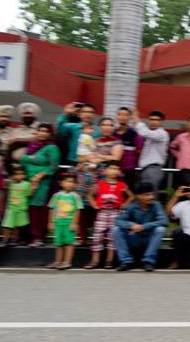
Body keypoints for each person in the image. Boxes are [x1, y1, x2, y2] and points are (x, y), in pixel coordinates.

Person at [75, 117, 123, 245]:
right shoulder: (91, 140)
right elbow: (79, 157)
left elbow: (116, 158)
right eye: (104, 125)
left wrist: (97, 156)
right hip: (86, 179)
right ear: (99, 127)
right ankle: (82, 237)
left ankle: (100, 239)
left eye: (110, 125)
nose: (107, 127)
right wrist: (88, 157)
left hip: (104, 180)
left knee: (101, 207)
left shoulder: (117, 143)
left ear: (114, 128)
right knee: (83, 207)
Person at [85, 161, 134, 269]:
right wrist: (94, 204)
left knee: (112, 237)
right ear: (105, 170)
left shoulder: (122, 185)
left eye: (117, 169)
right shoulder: (99, 184)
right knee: (97, 236)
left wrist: (125, 204)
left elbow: (131, 196)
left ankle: (109, 260)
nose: (114, 171)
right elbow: (90, 195)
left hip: (115, 213)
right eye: (112, 168)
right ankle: (95, 261)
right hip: (102, 213)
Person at [112, 182, 169, 272]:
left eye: (152, 194)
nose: (151, 197)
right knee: (115, 229)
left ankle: (148, 261)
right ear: (138, 196)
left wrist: (143, 227)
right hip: (135, 238)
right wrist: (132, 225)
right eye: (147, 195)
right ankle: (126, 261)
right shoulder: (131, 207)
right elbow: (118, 221)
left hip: (150, 238)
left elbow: (164, 221)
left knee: (160, 229)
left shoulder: (156, 205)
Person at [20, 123, 61, 247]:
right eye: (40, 131)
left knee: (38, 209)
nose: (42, 133)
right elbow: (23, 161)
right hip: (26, 182)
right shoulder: (32, 146)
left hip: (43, 183)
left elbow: (53, 166)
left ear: (49, 134)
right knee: (25, 208)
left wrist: (38, 176)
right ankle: (26, 237)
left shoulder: (52, 148)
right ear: (36, 132)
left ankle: (38, 237)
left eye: (45, 131)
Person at [46, 173, 83, 270]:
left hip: (69, 223)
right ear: (61, 183)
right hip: (58, 222)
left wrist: (75, 223)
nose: (70, 184)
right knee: (59, 243)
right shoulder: (56, 196)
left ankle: (67, 262)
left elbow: (77, 210)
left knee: (69, 243)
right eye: (67, 181)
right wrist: (51, 222)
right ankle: (57, 262)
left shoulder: (75, 196)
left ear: (75, 184)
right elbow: (52, 209)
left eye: (72, 182)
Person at [132, 109, 169, 197]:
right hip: (145, 169)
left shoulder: (162, 133)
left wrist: (136, 118)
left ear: (162, 122)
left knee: (150, 198)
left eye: (156, 120)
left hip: (153, 169)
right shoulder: (151, 134)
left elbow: (144, 132)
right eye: (151, 119)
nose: (153, 122)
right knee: (143, 199)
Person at [0, 165, 33, 247]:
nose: (19, 176)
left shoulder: (27, 184)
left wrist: (33, 188)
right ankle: (4, 240)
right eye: (16, 174)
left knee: (18, 226)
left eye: (21, 174)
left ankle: (14, 239)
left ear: (24, 175)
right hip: (11, 208)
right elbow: (4, 182)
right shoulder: (10, 183)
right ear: (13, 176)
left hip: (22, 209)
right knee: (7, 225)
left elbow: (29, 194)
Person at [0, 105, 14, 224]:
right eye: (1, 116)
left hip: (3, 171)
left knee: (0, 201)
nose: (4, 119)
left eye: (6, 116)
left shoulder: (12, 132)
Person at [114, 107, 143, 190]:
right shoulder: (113, 133)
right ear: (117, 117)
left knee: (127, 192)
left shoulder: (134, 134)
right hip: (114, 168)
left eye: (125, 115)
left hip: (129, 169)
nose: (123, 117)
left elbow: (139, 151)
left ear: (129, 118)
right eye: (120, 114)